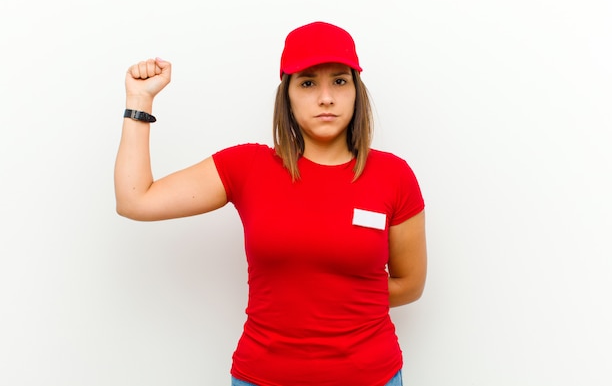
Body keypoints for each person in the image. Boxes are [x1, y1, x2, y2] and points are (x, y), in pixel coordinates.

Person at [115, 21, 427, 386]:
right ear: (288, 95)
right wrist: (139, 102)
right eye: (308, 83)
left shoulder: (394, 175)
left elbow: (410, 284)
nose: (325, 97)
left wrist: (337, 298)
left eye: (339, 81)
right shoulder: (247, 167)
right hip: (263, 377)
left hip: (371, 377)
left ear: (357, 91)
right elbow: (135, 200)